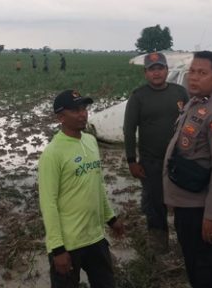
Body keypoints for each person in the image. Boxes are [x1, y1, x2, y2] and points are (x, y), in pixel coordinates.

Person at [163, 50, 212, 288]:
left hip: (204, 210)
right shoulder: (195, 103)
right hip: (189, 205)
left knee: (207, 272)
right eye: (192, 71)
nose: (194, 77)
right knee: (196, 268)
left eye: (202, 73)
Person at [38, 89, 125, 288]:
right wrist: (57, 249)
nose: (83, 114)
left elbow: (97, 185)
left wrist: (111, 219)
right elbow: (48, 204)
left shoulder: (90, 141)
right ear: (61, 117)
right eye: (75, 110)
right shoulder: (52, 154)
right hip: (68, 244)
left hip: (95, 238)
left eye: (84, 108)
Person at [123, 52, 188, 253]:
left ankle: (186, 243)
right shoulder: (138, 96)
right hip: (151, 162)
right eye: (152, 69)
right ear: (146, 73)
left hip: (179, 160)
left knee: (183, 202)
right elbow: (129, 129)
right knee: (155, 204)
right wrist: (132, 161)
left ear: (167, 70)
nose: (156, 73)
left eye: (160, 68)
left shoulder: (180, 92)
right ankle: (159, 247)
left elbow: (191, 123)